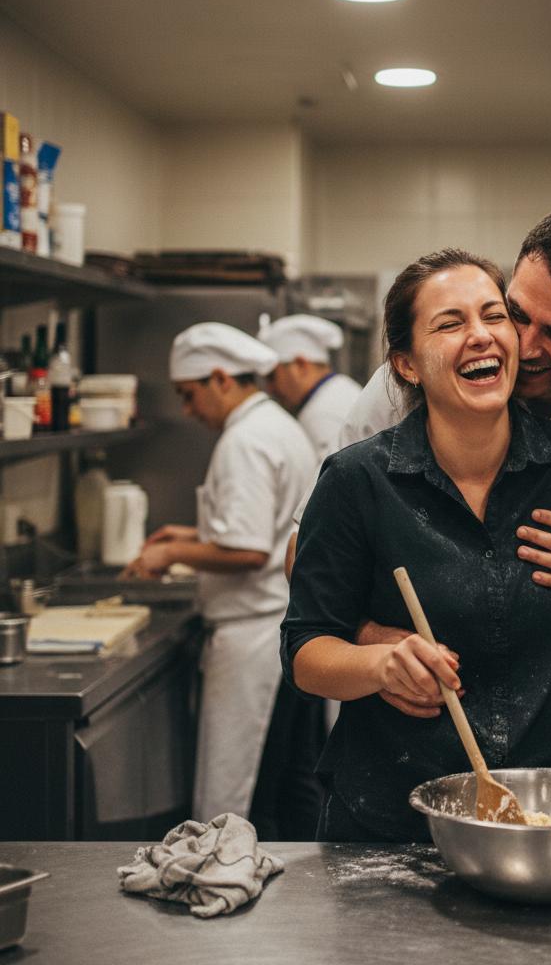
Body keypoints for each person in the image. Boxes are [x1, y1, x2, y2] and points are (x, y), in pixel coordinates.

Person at [283, 249, 551, 841]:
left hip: (540, 803)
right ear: (407, 364)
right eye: (450, 323)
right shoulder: (356, 479)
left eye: (494, 316)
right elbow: (306, 648)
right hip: (387, 818)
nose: (481, 335)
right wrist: (379, 665)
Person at [123, 322, 318, 830]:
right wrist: (192, 533)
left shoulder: (244, 441)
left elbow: (249, 550)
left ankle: (242, 875)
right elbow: (270, 524)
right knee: (287, 785)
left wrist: (169, 555)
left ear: (220, 378)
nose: (188, 411)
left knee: (245, 799)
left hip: (254, 640)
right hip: (284, 631)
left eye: (189, 395)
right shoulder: (277, 425)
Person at [258, 314, 362, 462]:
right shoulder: (340, 389)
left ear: (300, 365)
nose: (270, 388)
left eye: (272, 376)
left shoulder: (321, 414)